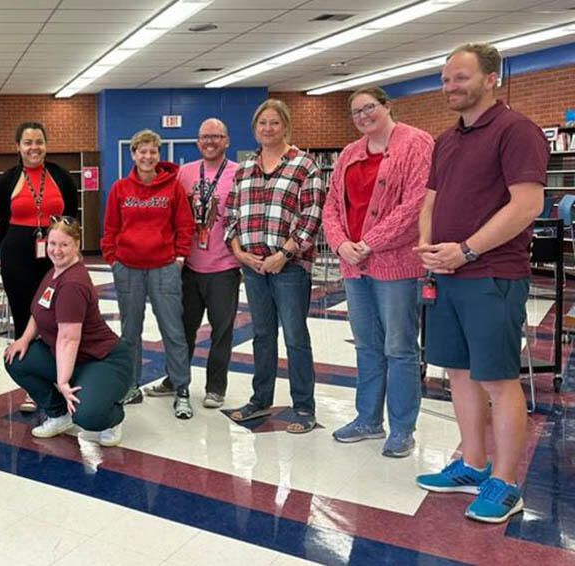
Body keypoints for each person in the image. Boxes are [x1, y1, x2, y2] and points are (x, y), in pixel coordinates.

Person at [414, 43, 547, 523]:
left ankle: (506, 482)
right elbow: (430, 201)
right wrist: (430, 246)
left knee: (496, 377)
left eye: (461, 77)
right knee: (459, 373)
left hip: (492, 274)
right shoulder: (446, 139)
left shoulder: (517, 131)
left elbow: (526, 205)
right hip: (446, 274)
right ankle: (471, 464)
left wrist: (467, 248)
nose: (450, 86)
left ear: (492, 77)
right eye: (446, 78)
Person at [322, 87, 433, 457]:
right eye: (355, 112)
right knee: (367, 345)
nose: (363, 116)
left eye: (369, 108)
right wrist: (341, 245)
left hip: (396, 264)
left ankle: (403, 428)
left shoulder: (416, 143)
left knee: (399, 347)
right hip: (354, 266)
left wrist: (370, 242)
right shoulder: (350, 154)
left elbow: (416, 204)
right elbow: (332, 207)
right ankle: (368, 419)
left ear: (387, 107)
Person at [224, 99, 326, 434]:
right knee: (262, 334)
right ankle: (260, 399)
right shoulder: (245, 169)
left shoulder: (304, 166)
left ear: (286, 126)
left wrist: (283, 253)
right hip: (252, 265)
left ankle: (303, 407)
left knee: (295, 336)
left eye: (274, 123)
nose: (268, 129)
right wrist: (239, 252)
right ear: (255, 128)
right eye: (262, 124)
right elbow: (231, 214)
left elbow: (312, 215)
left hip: (289, 266)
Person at [4, 216, 133, 445]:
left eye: (64, 244)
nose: (56, 250)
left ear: (77, 244)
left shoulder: (73, 283)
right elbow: (39, 310)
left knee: (87, 416)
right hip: (70, 357)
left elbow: (68, 338)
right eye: (52, 243)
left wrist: (62, 382)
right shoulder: (54, 272)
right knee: (16, 359)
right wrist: (23, 339)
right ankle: (59, 414)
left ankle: (113, 417)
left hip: (102, 359)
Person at [143, 118, 240, 409]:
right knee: (181, 329)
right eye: (204, 137)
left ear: (226, 141)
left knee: (222, 331)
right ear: (198, 142)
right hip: (187, 267)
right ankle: (175, 380)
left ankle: (215, 387)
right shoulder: (184, 173)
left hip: (224, 267)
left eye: (216, 136)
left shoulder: (239, 173)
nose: (210, 141)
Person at [101, 129, 195, 419]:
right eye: (142, 151)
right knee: (130, 332)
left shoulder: (172, 187)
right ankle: (131, 386)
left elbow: (184, 224)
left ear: (158, 155)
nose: (147, 156)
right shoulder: (120, 188)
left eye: (153, 151)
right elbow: (110, 229)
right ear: (133, 154)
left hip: (164, 267)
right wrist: (112, 258)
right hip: (128, 267)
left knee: (173, 330)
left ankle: (181, 389)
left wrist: (178, 258)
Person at [0, 121, 79, 413]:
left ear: (46, 144)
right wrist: (10, 245)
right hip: (17, 254)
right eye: (27, 142)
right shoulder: (6, 180)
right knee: (24, 317)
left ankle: (61, 377)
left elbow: (71, 216)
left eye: (39, 141)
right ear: (18, 147)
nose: (34, 148)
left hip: (55, 254)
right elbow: (0, 221)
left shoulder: (61, 177)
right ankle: (33, 387)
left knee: (56, 316)